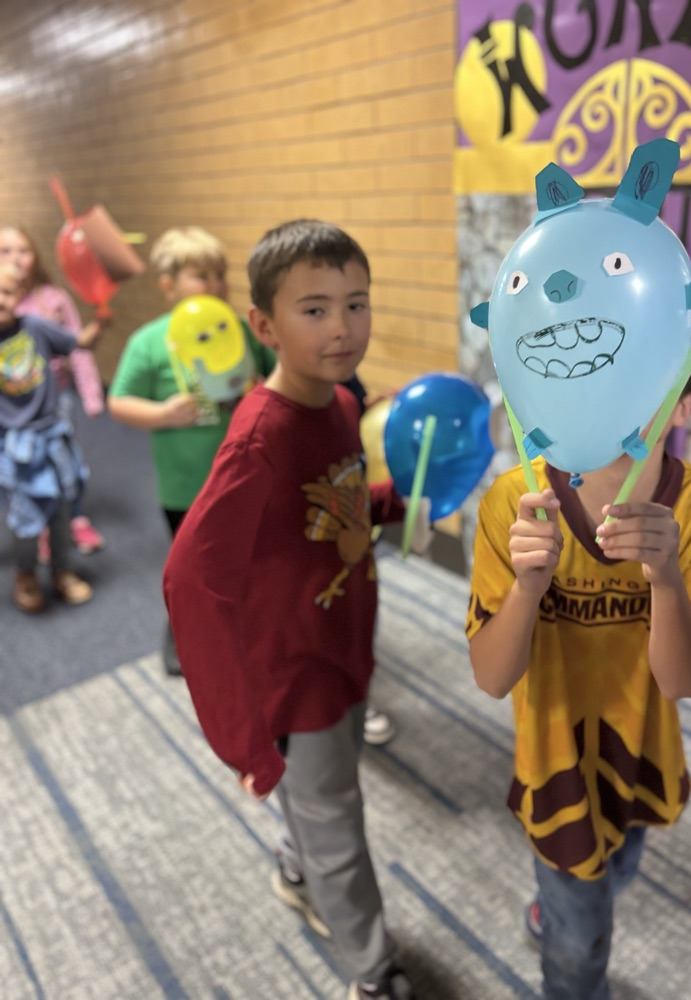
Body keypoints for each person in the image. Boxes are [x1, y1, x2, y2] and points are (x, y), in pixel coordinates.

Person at [163, 219, 418, 1000]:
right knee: (338, 817)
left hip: (342, 640)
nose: (342, 327)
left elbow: (335, 507)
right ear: (264, 326)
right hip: (292, 668)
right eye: (314, 309)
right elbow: (189, 582)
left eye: (356, 303)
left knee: (321, 799)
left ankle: (295, 864)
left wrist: (395, 498)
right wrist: (243, 741)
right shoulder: (258, 440)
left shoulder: (339, 403)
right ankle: (374, 976)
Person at [466, 375, 691, 1000]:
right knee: (582, 939)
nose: (610, 397)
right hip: (555, 758)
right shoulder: (515, 501)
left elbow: (679, 681)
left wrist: (666, 578)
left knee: (619, 864)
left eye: (639, 379)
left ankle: (553, 912)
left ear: (685, 405)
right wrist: (527, 589)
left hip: (639, 750)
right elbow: (490, 677)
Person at [108, 226, 275, 675]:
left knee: (250, 560)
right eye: (202, 275)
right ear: (169, 286)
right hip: (185, 487)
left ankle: (248, 635)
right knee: (194, 571)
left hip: (246, 477)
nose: (217, 285)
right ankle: (180, 638)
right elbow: (118, 401)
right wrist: (162, 414)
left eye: (221, 274)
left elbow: (281, 377)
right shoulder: (150, 341)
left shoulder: (240, 329)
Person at [0, 262, 103, 611]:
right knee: (25, 517)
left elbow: (79, 342)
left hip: (51, 436)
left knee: (62, 509)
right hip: (13, 445)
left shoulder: (36, 327)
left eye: (7, 291)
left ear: (21, 294)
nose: (0, 299)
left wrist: (100, 323)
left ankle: (64, 571)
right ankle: (26, 574)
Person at [342, 371, 396, 747]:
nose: (342, 327)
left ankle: (359, 695)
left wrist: (369, 406)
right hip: (316, 542)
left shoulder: (344, 380)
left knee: (359, 614)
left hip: (354, 527)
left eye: (356, 307)